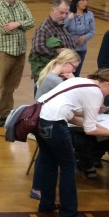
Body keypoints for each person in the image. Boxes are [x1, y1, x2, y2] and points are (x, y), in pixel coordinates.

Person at [34, 68, 109, 217]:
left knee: (50, 164)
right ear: (108, 83)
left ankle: (46, 205)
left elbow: (71, 114)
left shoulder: (81, 81)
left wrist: (100, 126)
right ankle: (68, 214)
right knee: (68, 166)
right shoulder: (96, 93)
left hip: (40, 120)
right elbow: (90, 129)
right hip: (54, 123)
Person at [31, 49, 80, 198]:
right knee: (46, 157)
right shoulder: (55, 81)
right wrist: (72, 80)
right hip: (47, 122)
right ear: (66, 63)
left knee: (45, 156)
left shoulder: (50, 74)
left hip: (41, 121)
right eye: (74, 67)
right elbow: (74, 99)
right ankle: (38, 188)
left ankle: (38, 188)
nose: (75, 70)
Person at [0, 0, 35, 127]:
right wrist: (21, 24)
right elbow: (4, 28)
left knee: (11, 86)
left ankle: (6, 112)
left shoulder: (21, 5)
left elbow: (31, 21)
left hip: (19, 52)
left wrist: (18, 23)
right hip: (2, 51)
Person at [28, 0, 74, 89]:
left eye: (66, 13)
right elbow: (37, 48)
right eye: (61, 13)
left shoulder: (60, 25)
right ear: (53, 10)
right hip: (46, 75)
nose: (64, 16)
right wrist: (57, 51)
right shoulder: (44, 28)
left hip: (59, 74)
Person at [65, 0, 96, 77]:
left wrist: (85, 38)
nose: (86, 2)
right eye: (83, 0)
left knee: (76, 74)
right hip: (68, 50)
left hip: (82, 50)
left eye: (86, 0)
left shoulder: (90, 15)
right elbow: (60, 28)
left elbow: (92, 32)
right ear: (76, 2)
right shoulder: (68, 14)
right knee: (66, 74)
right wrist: (68, 19)